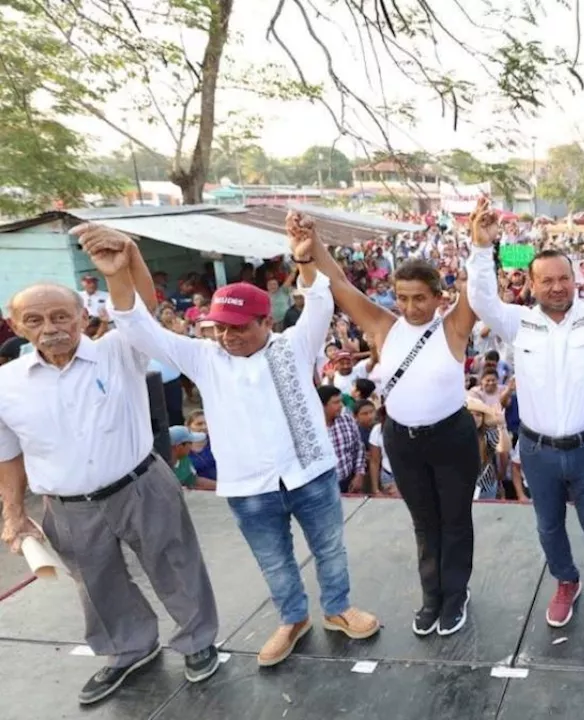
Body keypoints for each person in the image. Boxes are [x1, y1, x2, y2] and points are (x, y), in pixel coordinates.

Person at [83, 222, 380, 668]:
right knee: (274, 561)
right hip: (248, 487)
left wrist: (303, 256)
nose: (228, 336)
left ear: (266, 321)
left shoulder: (296, 346)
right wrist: (116, 276)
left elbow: (319, 299)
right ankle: (292, 619)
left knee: (330, 549)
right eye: (220, 327)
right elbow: (137, 327)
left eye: (239, 327)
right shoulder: (203, 357)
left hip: (310, 474)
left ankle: (337, 609)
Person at [0, 230, 220, 706]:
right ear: (16, 326)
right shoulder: (6, 384)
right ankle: (128, 649)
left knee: (175, 565)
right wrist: (13, 512)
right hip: (68, 506)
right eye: (34, 319)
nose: (50, 326)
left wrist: (125, 262)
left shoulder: (119, 350)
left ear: (84, 315)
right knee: (97, 582)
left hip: (142, 486)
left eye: (61, 315)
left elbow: (138, 312)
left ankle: (198, 641)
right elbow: (8, 452)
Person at [466, 193, 584, 637]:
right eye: (547, 280)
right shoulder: (518, 322)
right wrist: (482, 249)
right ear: (533, 285)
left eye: (564, 279)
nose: (557, 287)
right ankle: (566, 581)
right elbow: (481, 299)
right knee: (548, 526)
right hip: (537, 452)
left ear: (576, 281)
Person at [310, 211, 483, 636]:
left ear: (439, 297)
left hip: (452, 438)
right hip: (402, 442)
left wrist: (480, 242)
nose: (410, 307)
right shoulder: (384, 326)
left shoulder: (454, 328)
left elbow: (480, 290)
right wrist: (311, 244)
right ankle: (432, 596)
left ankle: (455, 595)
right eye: (402, 298)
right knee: (424, 522)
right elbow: (339, 286)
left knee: (455, 520)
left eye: (420, 298)